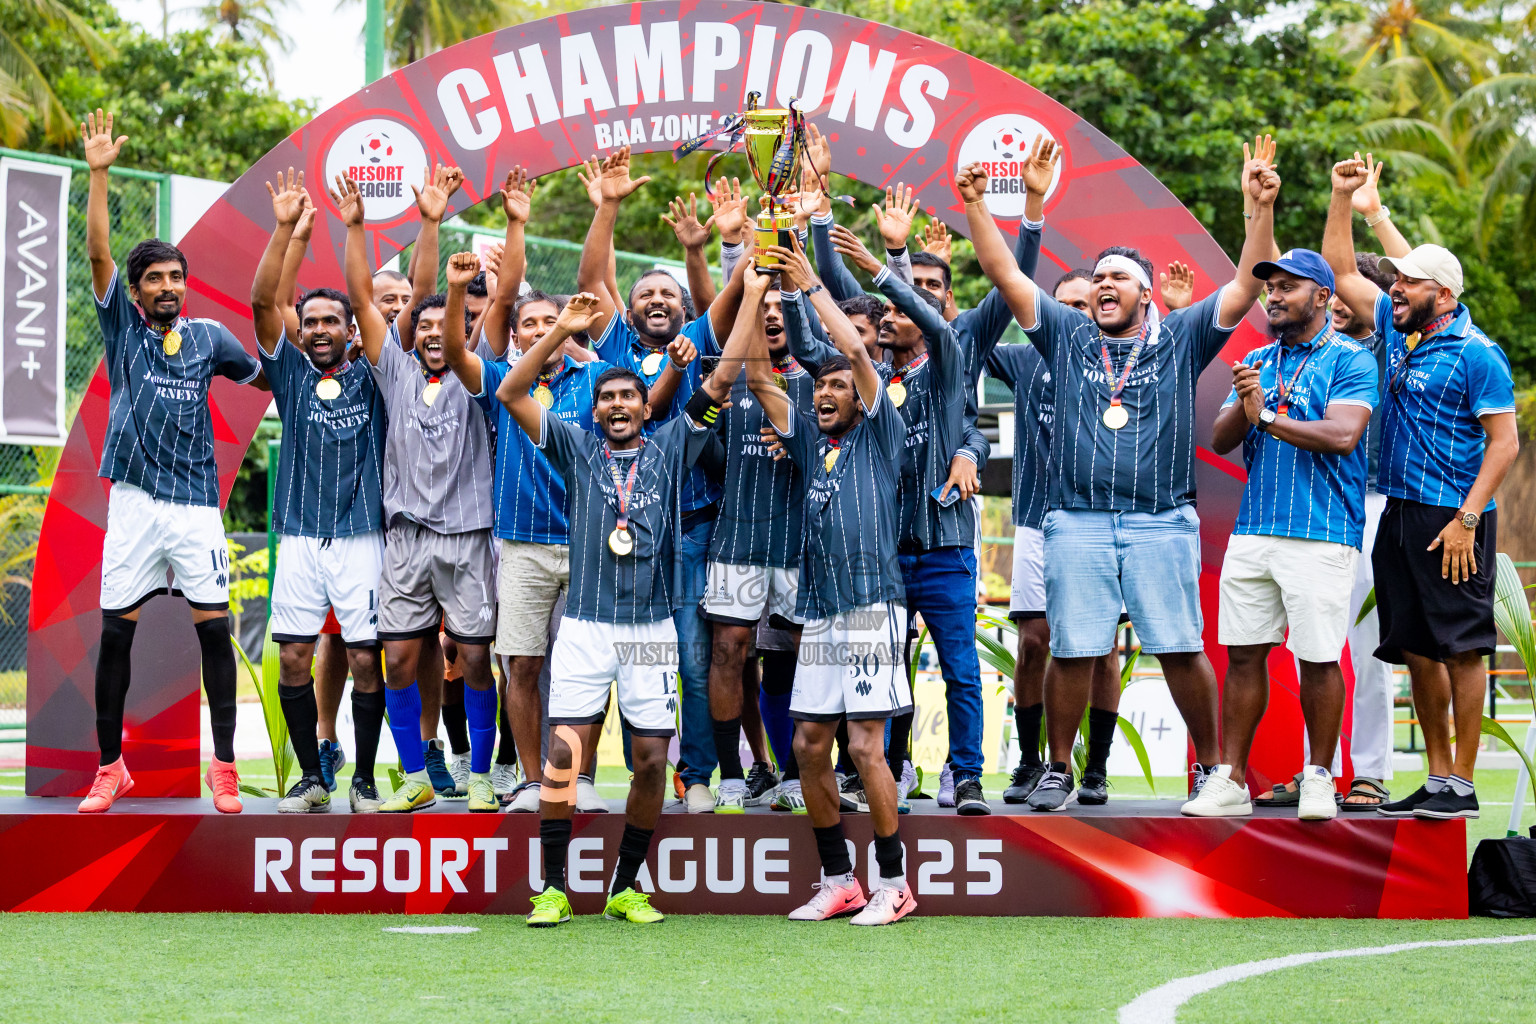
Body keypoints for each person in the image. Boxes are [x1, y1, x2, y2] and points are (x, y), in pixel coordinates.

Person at [959, 155, 1276, 811]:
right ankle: (1057, 771)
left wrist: (1259, 207)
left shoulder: (1183, 336)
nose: (1104, 284)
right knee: (1073, 650)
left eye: (1119, 279)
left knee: (1180, 648)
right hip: (1074, 521)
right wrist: (979, 207)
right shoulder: (1066, 334)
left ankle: (1214, 771)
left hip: (1161, 519)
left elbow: (1247, 283)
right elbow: (1004, 273)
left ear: (1146, 295)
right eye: (1098, 276)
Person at [503, 295, 720, 928]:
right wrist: (561, 333)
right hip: (586, 627)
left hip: (651, 629)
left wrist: (700, 347)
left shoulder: (674, 444)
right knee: (564, 755)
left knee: (652, 758)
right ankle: (551, 888)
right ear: (594, 410)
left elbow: (718, 386)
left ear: (647, 406)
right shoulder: (572, 446)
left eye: (630, 396)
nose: (620, 405)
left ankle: (627, 886)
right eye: (609, 398)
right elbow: (514, 391)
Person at [76, 110, 262, 814]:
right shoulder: (123, 328)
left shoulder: (211, 337)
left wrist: (312, 379)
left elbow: (266, 375)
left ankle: (222, 767)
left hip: (194, 509)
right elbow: (97, 255)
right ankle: (109, 767)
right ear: (135, 292)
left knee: (214, 631)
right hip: (132, 501)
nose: (167, 287)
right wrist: (99, 174)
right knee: (114, 633)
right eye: (154, 278)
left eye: (176, 277)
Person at [1323, 156, 1519, 821]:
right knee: (1413, 645)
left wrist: (1467, 519)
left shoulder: (1478, 352)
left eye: (1408, 283)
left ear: (1443, 294)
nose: (1394, 289)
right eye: (1396, 283)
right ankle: (1436, 778)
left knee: (1461, 647)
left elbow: (1506, 443)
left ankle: (1462, 784)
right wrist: (1347, 201)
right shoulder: (1397, 340)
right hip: (1401, 513)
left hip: (1454, 518)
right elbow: (1344, 271)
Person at [577, 146, 748, 813]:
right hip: (622, 529)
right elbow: (594, 281)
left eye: (665, 294)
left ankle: (697, 775)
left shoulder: (703, 338)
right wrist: (608, 210)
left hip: (690, 531)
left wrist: (730, 239)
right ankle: (645, 774)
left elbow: (737, 293)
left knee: (691, 659)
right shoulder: (616, 349)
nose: (653, 300)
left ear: (682, 310)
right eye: (644, 293)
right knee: (629, 661)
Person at [749, 244, 915, 925]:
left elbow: (854, 347)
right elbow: (760, 377)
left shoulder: (883, 431)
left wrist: (807, 283)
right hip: (819, 613)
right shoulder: (814, 443)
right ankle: (839, 879)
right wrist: (757, 278)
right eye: (818, 385)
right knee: (808, 745)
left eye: (837, 385)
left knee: (866, 746)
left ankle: (893, 883)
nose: (824, 391)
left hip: (873, 608)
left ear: (861, 394)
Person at [1183, 249, 1377, 820]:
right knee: (1243, 658)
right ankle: (1231, 779)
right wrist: (1247, 407)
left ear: (1322, 296)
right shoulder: (1258, 358)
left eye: (1288, 287)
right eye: (1270, 287)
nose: (1273, 295)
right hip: (1255, 529)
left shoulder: (1352, 359)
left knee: (1317, 659)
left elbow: (1342, 436)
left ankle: (1319, 776)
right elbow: (1220, 440)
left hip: (1322, 531)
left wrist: (1264, 415)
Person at [335, 168, 502, 812]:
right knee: (397, 661)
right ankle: (413, 776)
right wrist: (356, 229)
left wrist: (451, 284)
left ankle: (481, 772)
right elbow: (359, 299)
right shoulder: (393, 372)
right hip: (403, 542)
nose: (435, 333)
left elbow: (470, 314)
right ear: (412, 335)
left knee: (477, 659)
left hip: (467, 539)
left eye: (446, 327)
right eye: (425, 326)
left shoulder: (476, 374)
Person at [466, 168, 622, 814]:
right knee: (521, 667)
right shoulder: (506, 375)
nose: (536, 329)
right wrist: (516, 223)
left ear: (572, 325)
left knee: (584, 672)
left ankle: (574, 780)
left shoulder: (599, 380)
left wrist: (604, 210)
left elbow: (598, 286)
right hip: (523, 546)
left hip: (586, 543)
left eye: (549, 321)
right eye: (528, 323)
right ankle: (533, 782)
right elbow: (499, 308)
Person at [251, 171, 387, 814]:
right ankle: (312, 779)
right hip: (301, 537)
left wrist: (352, 227)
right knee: (294, 660)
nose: (324, 328)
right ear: (300, 331)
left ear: (352, 330)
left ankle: (363, 779)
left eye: (335, 319)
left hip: (362, 536)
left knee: (364, 660)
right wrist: (286, 231)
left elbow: (368, 300)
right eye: (313, 321)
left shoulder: (375, 376)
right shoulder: (293, 376)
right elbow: (263, 302)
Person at [698, 282, 812, 812]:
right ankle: (730, 776)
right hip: (737, 540)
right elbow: (709, 456)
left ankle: (794, 776)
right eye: (758, 307)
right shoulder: (726, 380)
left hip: (800, 544)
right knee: (728, 651)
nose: (770, 315)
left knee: (801, 657)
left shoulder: (818, 381)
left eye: (779, 307)